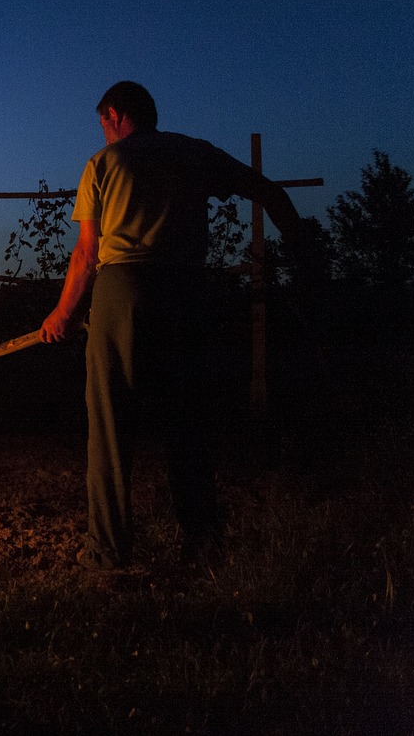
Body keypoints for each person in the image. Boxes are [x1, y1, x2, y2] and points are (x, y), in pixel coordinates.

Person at [40, 81, 304, 570]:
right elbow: (268, 191)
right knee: (188, 420)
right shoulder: (194, 153)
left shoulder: (104, 163)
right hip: (186, 293)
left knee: (110, 424)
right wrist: (303, 251)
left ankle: (108, 550)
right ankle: (203, 543)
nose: (103, 134)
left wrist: (63, 313)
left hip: (124, 290)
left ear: (115, 115)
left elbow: (87, 254)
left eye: (102, 124)